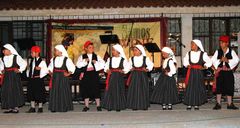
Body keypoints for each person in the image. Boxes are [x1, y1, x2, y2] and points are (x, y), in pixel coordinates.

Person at [212, 35, 239, 110]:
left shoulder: (231, 51)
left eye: (222, 43)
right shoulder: (217, 51)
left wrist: (228, 61)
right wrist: (220, 60)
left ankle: (230, 104)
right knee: (219, 87)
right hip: (220, 72)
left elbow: (237, 60)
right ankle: (218, 103)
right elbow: (213, 60)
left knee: (229, 87)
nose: (221, 44)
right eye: (220, 43)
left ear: (227, 43)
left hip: (228, 72)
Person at [183, 39, 212, 110]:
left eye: (192, 44)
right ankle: (189, 103)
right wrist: (187, 65)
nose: (191, 46)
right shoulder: (188, 53)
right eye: (191, 44)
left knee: (197, 87)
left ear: (197, 45)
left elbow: (209, 61)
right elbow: (185, 61)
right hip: (191, 72)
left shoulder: (202, 54)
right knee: (190, 87)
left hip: (198, 72)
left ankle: (196, 103)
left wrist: (205, 66)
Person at [76, 41, 105, 112]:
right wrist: (84, 61)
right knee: (86, 89)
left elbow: (103, 64)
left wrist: (96, 62)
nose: (92, 49)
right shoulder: (82, 57)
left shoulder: (97, 56)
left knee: (96, 88)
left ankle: (98, 105)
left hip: (94, 73)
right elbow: (78, 65)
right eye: (90, 47)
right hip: (86, 74)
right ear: (86, 49)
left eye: (92, 47)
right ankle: (86, 106)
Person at [48, 44, 76, 112]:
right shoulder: (53, 59)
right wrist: (50, 72)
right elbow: (50, 68)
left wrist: (68, 73)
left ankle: (64, 107)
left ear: (60, 51)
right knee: (55, 92)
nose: (54, 52)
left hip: (62, 77)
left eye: (56, 50)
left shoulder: (66, 59)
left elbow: (72, 67)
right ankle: (54, 107)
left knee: (62, 91)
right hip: (55, 77)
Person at [0, 44, 27, 113]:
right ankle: (9, 107)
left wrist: (20, 70)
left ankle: (15, 107)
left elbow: (24, 63)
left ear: (9, 50)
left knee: (14, 90)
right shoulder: (3, 58)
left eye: (4, 50)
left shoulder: (16, 57)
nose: (3, 52)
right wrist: (2, 70)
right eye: (3, 50)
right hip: (6, 76)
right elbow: (1, 66)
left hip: (14, 76)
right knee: (6, 90)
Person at [102, 44, 130, 112]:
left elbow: (127, 67)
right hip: (111, 76)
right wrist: (107, 70)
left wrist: (123, 71)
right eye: (112, 50)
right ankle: (110, 106)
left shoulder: (123, 60)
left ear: (118, 51)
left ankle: (118, 106)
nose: (113, 52)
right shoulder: (110, 59)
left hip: (119, 77)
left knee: (118, 90)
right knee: (111, 90)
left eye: (114, 50)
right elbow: (106, 67)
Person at [126, 44, 154, 110]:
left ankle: (143, 105)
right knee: (134, 89)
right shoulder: (131, 59)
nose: (134, 52)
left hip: (142, 75)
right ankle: (134, 105)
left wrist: (147, 69)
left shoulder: (145, 58)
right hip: (134, 75)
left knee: (143, 89)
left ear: (140, 51)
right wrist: (130, 69)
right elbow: (128, 66)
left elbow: (151, 65)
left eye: (136, 50)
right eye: (134, 50)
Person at [26, 46, 48, 113]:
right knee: (31, 93)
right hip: (32, 79)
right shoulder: (32, 61)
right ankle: (32, 107)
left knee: (39, 93)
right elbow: (30, 70)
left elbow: (46, 70)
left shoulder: (42, 62)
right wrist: (28, 72)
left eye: (32, 52)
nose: (31, 54)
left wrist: (41, 69)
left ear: (37, 53)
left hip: (38, 79)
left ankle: (40, 107)